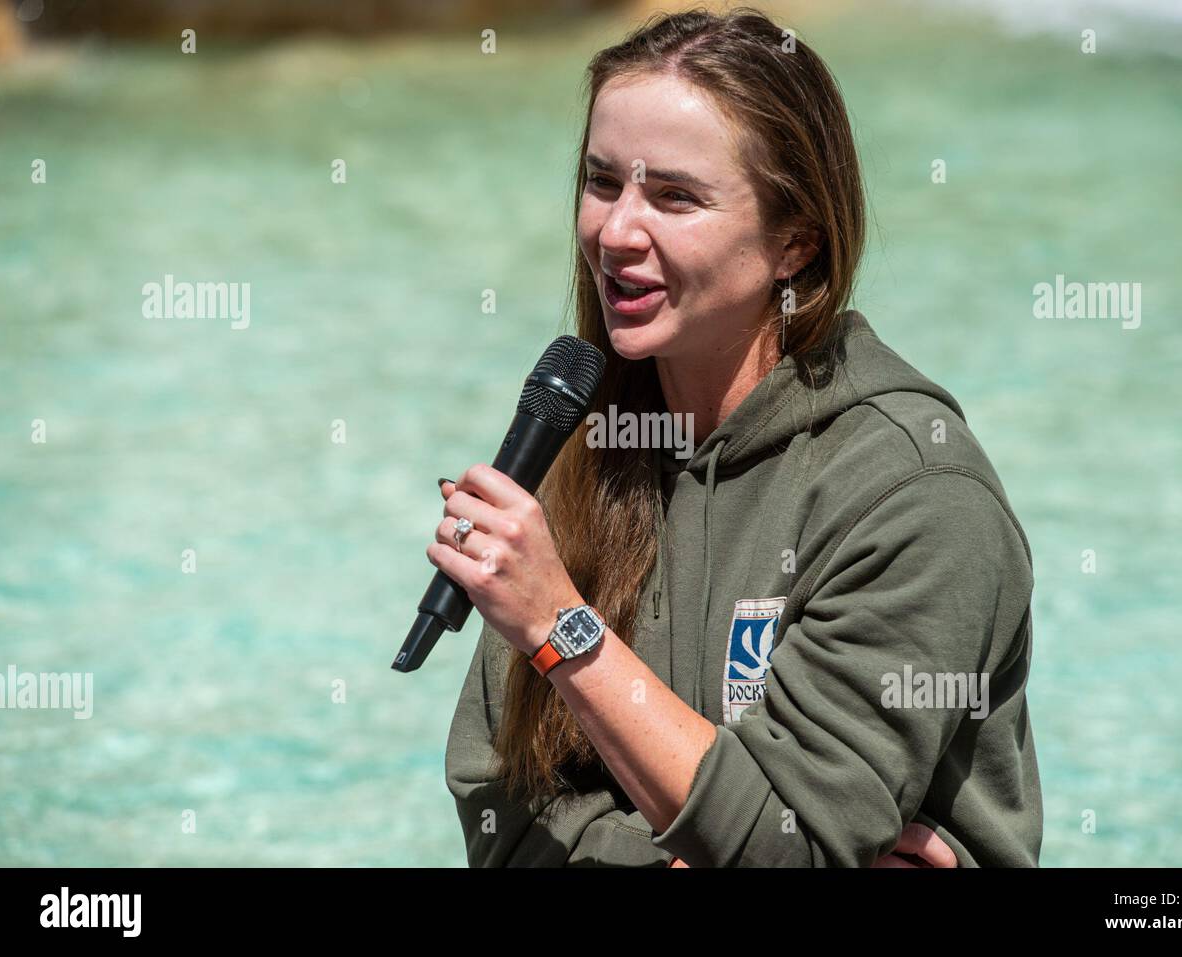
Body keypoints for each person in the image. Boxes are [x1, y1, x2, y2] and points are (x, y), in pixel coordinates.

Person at [437, 7, 1042, 867]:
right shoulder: (588, 444)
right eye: (602, 181)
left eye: (675, 196)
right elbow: (496, 797)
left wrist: (559, 624)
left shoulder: (914, 491)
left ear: (795, 241)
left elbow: (790, 841)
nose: (615, 232)